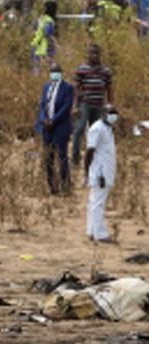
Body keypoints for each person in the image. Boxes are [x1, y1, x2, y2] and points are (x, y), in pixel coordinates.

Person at [71, 43, 113, 167]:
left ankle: (94, 159)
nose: (94, 56)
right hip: (85, 104)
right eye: (92, 53)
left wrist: (110, 105)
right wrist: (75, 106)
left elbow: (109, 89)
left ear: (100, 55)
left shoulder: (105, 71)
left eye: (96, 53)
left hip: (99, 105)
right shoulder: (81, 69)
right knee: (79, 130)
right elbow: (76, 88)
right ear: (88, 54)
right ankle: (75, 159)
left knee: (97, 132)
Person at [35, 63, 74, 195]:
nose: (54, 73)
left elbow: (66, 107)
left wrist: (53, 120)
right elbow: (42, 105)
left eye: (57, 71)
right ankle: (52, 187)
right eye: (52, 71)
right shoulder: (47, 87)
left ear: (61, 73)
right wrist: (43, 119)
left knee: (62, 157)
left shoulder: (68, 88)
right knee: (48, 157)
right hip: (47, 128)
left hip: (60, 127)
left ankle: (65, 186)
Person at [84, 104, 118, 243]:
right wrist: (86, 172)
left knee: (95, 201)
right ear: (103, 113)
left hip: (106, 169)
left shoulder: (108, 128)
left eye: (115, 113)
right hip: (100, 172)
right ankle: (100, 234)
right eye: (110, 112)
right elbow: (89, 151)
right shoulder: (97, 128)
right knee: (98, 202)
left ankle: (92, 231)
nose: (113, 115)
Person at [31, 0, 61, 65]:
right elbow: (47, 34)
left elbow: (32, 30)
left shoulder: (40, 18)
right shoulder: (49, 21)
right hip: (45, 48)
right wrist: (56, 43)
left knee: (37, 68)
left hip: (36, 46)